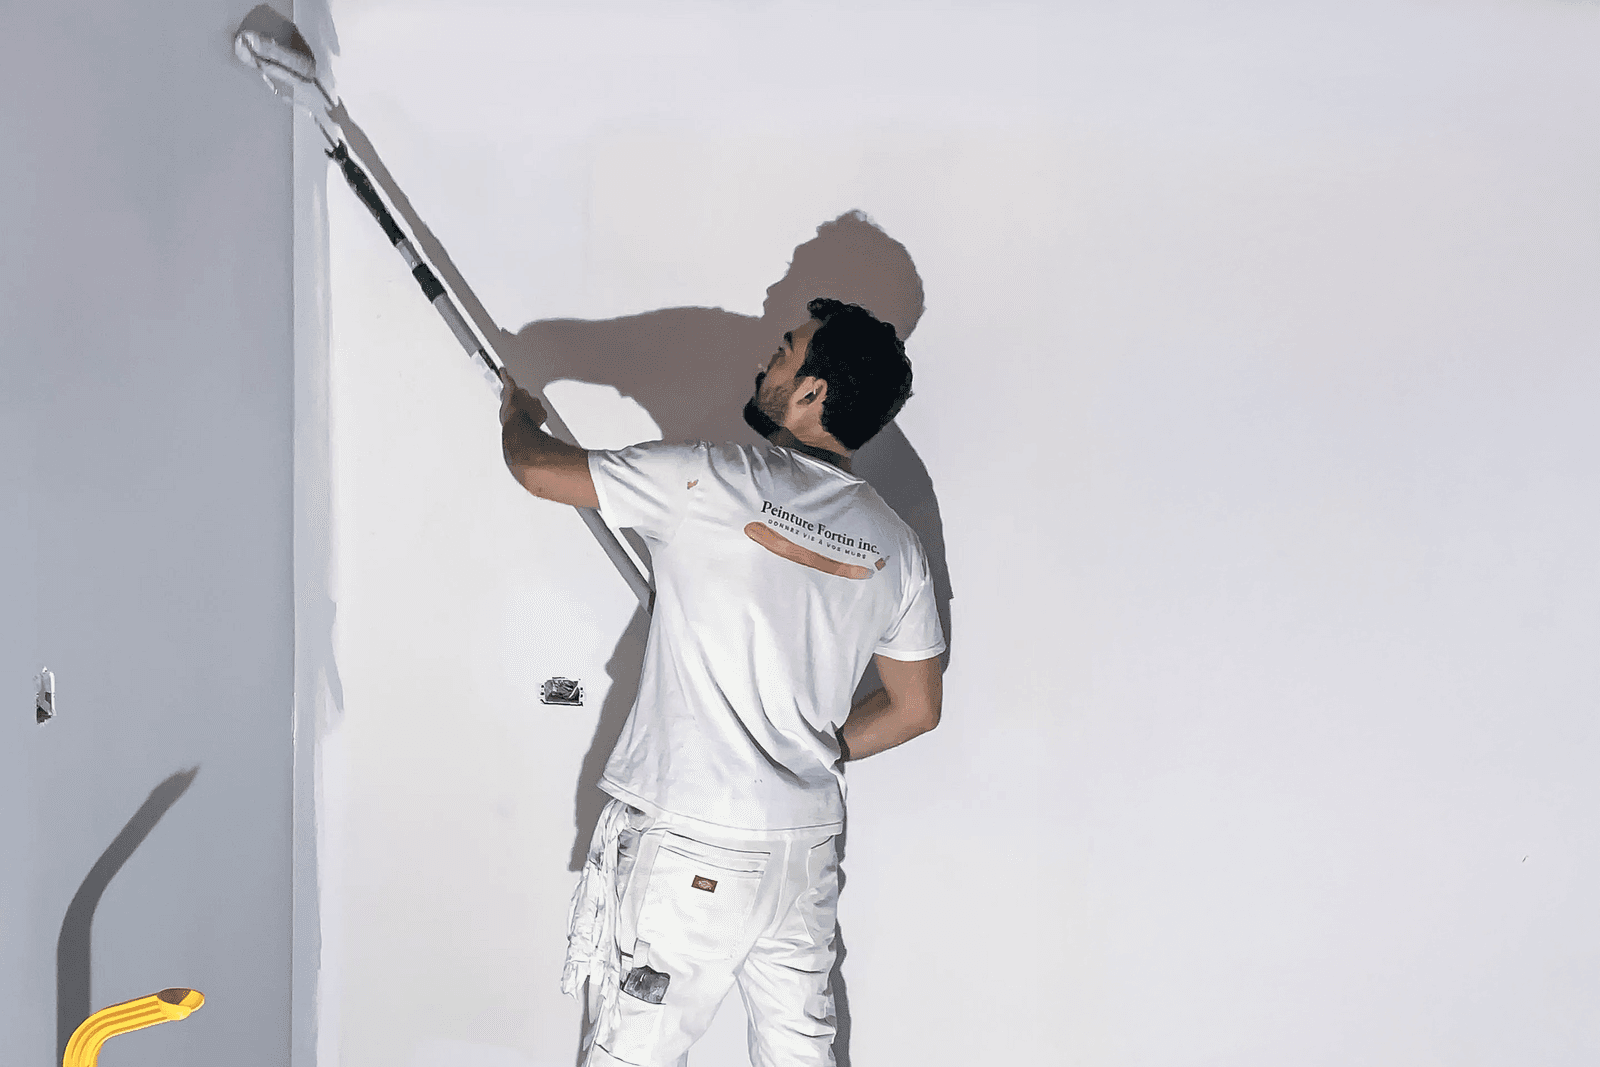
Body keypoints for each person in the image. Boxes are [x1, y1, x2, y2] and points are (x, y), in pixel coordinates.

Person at [497, 297, 946, 1067]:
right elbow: (916, 708)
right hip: (801, 854)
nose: (766, 361)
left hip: (691, 847)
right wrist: (806, 748)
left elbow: (538, 471)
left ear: (811, 395)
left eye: (784, 350)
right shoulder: (893, 547)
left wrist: (516, 413)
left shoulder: (710, 478)